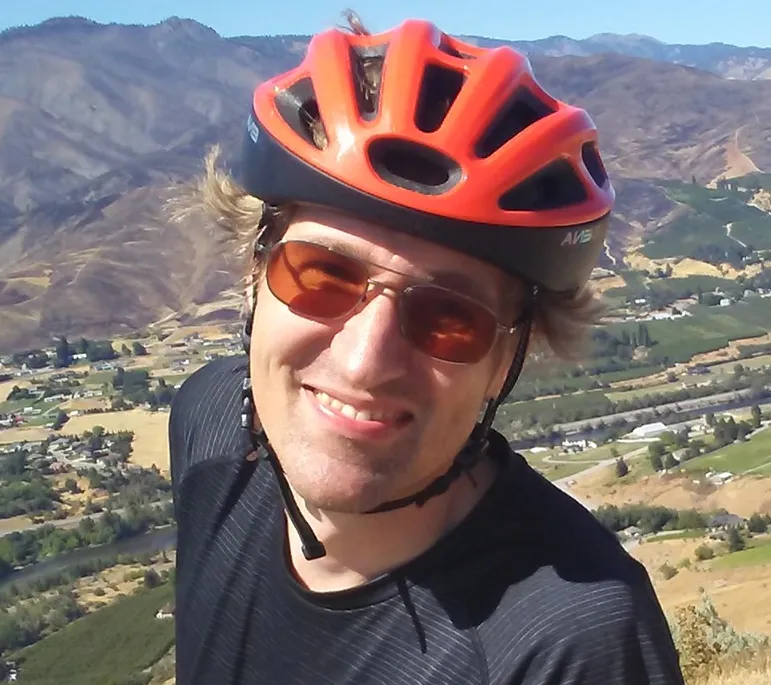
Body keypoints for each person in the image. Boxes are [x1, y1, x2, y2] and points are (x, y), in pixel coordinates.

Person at [168, 11, 685, 685]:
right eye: (322, 275)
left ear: (507, 358)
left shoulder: (569, 645)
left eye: (449, 315)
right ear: (251, 274)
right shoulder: (206, 426)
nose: (365, 362)